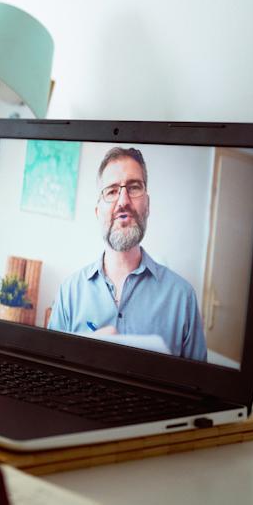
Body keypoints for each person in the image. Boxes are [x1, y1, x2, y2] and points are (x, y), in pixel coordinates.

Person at [47, 147, 207, 361]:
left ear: (147, 205)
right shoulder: (69, 293)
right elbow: (50, 373)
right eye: (112, 191)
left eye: (133, 187)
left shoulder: (183, 298)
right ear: (98, 212)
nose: (123, 201)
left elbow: (198, 389)